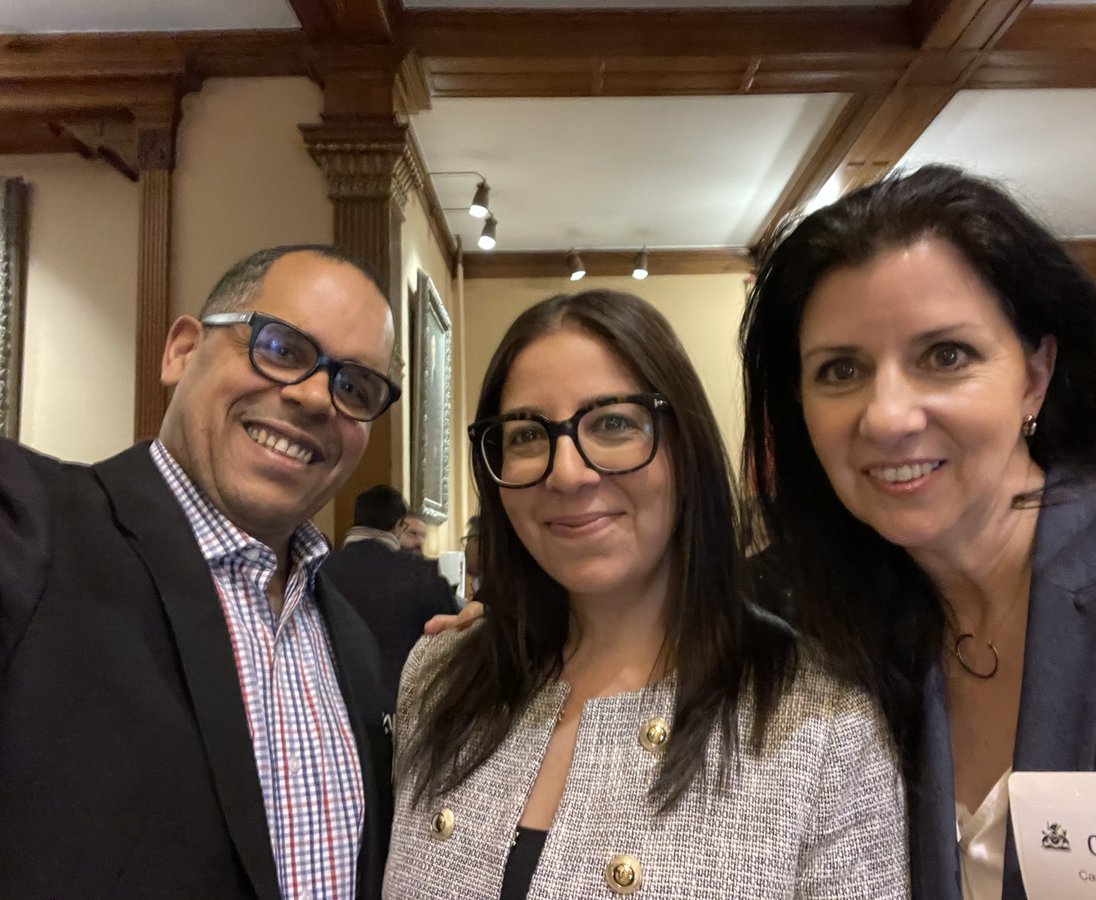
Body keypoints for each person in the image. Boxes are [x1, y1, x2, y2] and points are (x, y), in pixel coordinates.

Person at [740, 164, 1096, 900]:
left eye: (945, 356)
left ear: (1035, 373)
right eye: (840, 370)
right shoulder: (812, 629)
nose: (887, 416)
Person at [384, 289, 907, 899]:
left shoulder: (825, 724)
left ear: (685, 448)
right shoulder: (439, 675)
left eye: (612, 423)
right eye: (526, 435)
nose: (567, 473)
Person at [0, 245, 399, 898]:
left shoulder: (350, 640)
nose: (313, 398)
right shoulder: (31, 527)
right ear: (182, 350)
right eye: (281, 348)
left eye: (355, 387)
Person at [322, 484, 458, 701]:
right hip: (402, 704)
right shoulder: (422, 574)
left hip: (333, 705)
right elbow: (451, 644)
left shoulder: (319, 571)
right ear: (399, 525)